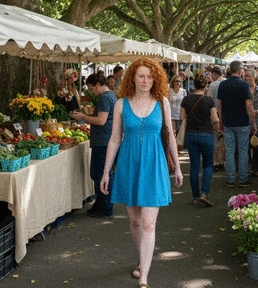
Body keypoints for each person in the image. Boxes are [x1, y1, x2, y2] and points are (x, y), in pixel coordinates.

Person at [100, 58, 183, 288]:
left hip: (154, 165)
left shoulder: (162, 102)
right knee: (135, 222)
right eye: (141, 76)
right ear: (132, 78)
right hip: (129, 164)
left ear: (154, 78)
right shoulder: (120, 105)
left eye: (149, 76)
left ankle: (144, 277)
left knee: (148, 223)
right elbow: (115, 139)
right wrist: (106, 171)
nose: (145, 80)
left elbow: (170, 135)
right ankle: (141, 259)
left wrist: (176, 166)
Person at [73, 74, 117, 218]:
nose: (92, 92)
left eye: (92, 88)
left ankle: (105, 207)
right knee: (102, 173)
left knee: (100, 174)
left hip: (103, 140)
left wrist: (83, 117)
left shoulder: (104, 98)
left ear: (98, 85)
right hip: (106, 139)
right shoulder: (112, 96)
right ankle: (100, 204)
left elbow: (101, 120)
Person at [181, 73, 219, 206]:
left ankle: (196, 196)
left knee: (194, 166)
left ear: (193, 85)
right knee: (208, 165)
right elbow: (215, 119)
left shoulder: (186, 99)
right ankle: (204, 193)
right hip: (207, 134)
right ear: (206, 86)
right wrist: (217, 127)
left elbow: (181, 117)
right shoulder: (209, 100)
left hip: (191, 134)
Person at [218, 60, 257, 188]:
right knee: (242, 151)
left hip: (228, 122)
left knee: (229, 151)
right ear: (240, 71)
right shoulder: (244, 85)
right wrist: (253, 123)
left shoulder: (223, 85)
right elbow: (248, 105)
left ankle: (230, 179)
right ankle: (243, 178)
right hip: (242, 123)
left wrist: (220, 120)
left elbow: (220, 105)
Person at [206, 65, 226, 172]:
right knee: (223, 140)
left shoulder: (212, 85)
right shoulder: (227, 83)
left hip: (214, 114)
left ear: (214, 74)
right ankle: (222, 162)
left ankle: (215, 163)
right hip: (226, 115)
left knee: (215, 139)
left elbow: (209, 100)